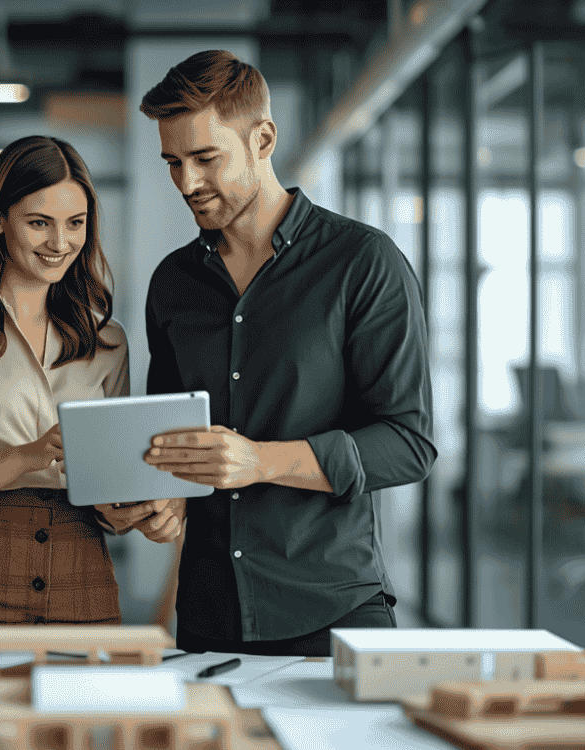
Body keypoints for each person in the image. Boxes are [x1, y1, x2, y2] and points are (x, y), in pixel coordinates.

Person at [100, 50, 436, 657]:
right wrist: (156, 498)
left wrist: (259, 461)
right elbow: (172, 444)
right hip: (207, 617)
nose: (187, 183)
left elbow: (408, 445)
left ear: (263, 139)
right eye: (173, 162)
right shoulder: (172, 284)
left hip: (332, 611)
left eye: (206, 158)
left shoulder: (362, 263)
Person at [0, 135, 169, 657]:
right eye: (38, 222)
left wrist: (136, 507)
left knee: (86, 735)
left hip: (81, 572)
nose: (60, 242)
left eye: (75, 223)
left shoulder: (107, 342)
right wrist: (28, 456)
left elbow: (107, 492)